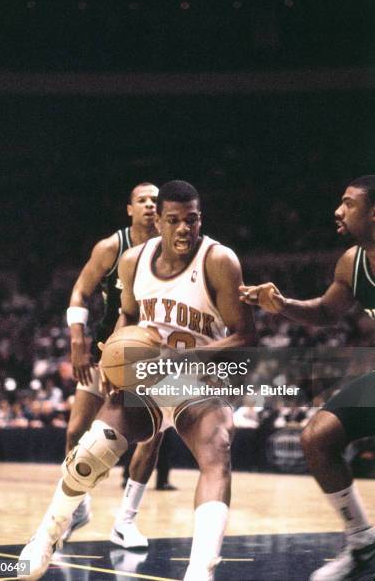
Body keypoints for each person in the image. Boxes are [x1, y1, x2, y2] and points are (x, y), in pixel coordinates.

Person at [19, 180, 256, 581]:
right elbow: (128, 316)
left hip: (196, 381)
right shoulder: (132, 260)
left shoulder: (219, 260)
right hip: (146, 378)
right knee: (90, 450)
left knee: (217, 451)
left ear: (201, 220)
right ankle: (45, 537)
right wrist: (117, 355)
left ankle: (200, 571)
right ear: (158, 222)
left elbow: (245, 334)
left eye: (192, 220)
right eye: (174, 220)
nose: (184, 228)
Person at [239, 175, 375, 581]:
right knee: (317, 437)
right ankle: (363, 544)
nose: (338, 210)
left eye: (348, 203)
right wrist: (280, 305)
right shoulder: (352, 262)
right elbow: (324, 312)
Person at [64, 181, 168, 547]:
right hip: (103, 347)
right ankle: (77, 504)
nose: (150, 206)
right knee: (75, 431)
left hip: (149, 353)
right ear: (130, 209)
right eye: (142, 200)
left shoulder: (172, 248)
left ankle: (125, 520)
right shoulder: (111, 246)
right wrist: (77, 339)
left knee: (151, 436)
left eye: (156, 200)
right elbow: (80, 290)